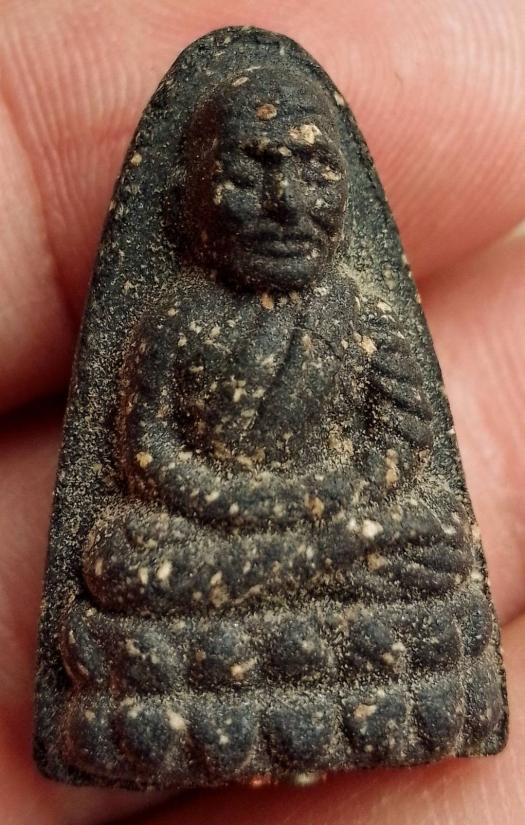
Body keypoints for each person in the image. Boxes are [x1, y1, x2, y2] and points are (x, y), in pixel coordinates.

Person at [0, 1, 524, 823]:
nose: (285, 202)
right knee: (121, 555)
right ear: (191, 195)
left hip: (339, 526)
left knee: (432, 544)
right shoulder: (177, 316)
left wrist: (330, 502)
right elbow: (144, 450)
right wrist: (236, 502)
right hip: (208, 526)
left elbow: (397, 448)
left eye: (314, 171)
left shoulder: (363, 317)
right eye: (251, 171)